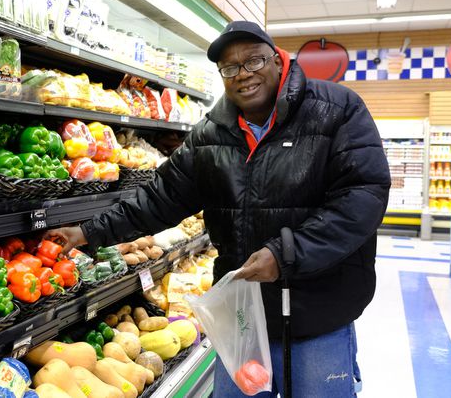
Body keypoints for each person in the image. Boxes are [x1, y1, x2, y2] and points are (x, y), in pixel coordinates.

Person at [47, 21, 390, 397]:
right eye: (230, 68)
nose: (243, 75)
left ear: (277, 61)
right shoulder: (212, 133)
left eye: (254, 62)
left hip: (319, 312)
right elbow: (161, 196)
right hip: (242, 318)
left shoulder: (336, 110)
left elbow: (362, 198)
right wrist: (90, 232)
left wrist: (288, 253)